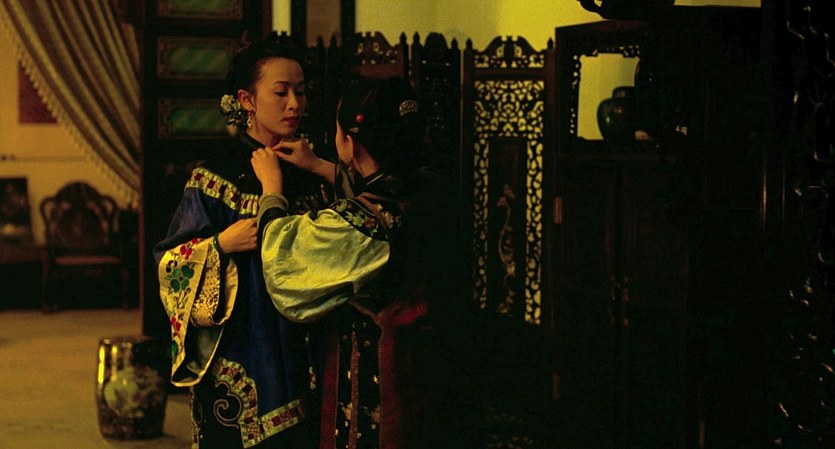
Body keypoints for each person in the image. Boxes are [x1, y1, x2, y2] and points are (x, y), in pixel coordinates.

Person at [252, 76, 463, 449]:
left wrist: (271, 190)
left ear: (349, 143)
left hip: (381, 378)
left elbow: (284, 262)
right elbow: (382, 186)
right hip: (432, 366)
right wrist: (319, 166)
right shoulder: (432, 187)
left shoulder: (367, 223)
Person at [154, 33, 327, 449]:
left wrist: (319, 168)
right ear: (247, 100)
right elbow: (169, 263)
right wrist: (219, 245)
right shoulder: (214, 176)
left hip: (307, 339)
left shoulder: (311, 170)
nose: (295, 104)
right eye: (281, 92)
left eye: (301, 92)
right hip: (244, 340)